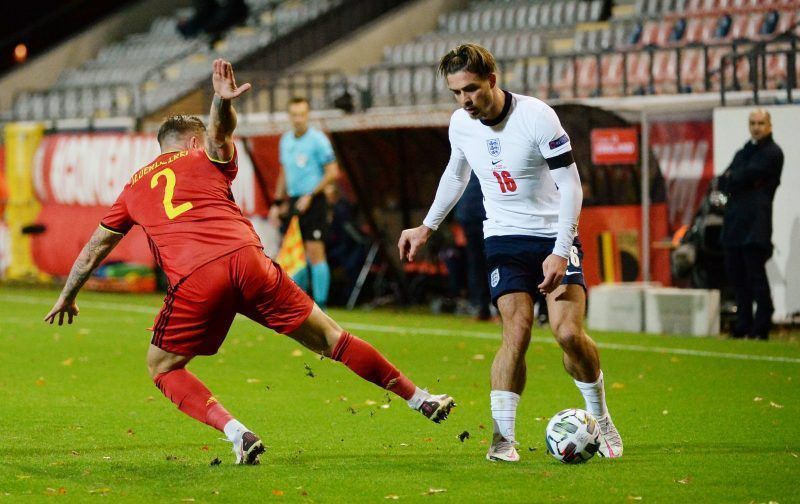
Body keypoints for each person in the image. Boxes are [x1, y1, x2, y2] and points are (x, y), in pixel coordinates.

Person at [44, 59, 455, 466]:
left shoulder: (134, 185)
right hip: (249, 261)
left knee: (163, 366)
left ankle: (236, 432)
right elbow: (221, 133)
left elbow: (96, 246)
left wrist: (68, 295)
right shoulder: (205, 157)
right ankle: (420, 398)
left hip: (197, 279)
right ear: (192, 141)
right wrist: (220, 103)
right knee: (332, 338)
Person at [398, 44, 622, 462]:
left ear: (493, 81)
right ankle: (503, 439)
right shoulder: (461, 125)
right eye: (456, 93)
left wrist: (560, 249)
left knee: (568, 334)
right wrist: (426, 227)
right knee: (515, 332)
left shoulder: (537, 117)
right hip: (503, 238)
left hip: (553, 236)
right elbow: (456, 173)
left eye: (472, 89)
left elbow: (572, 186)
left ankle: (601, 417)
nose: (465, 100)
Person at [718, 108, 783, 340]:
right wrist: (734, 179)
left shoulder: (773, 153)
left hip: (756, 225)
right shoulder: (744, 151)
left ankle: (762, 325)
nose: (756, 127)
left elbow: (741, 176)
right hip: (735, 224)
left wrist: (734, 178)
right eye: (752, 123)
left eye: (760, 123)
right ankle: (743, 325)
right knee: (738, 278)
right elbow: (723, 179)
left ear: (769, 125)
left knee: (756, 277)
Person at [273, 97, 339, 309]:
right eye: (294, 115)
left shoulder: (318, 140)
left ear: (308, 115)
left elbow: (332, 173)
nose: (298, 119)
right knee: (295, 251)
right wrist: (277, 202)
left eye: (302, 114)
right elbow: (284, 172)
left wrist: (310, 194)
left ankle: (321, 303)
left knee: (315, 252)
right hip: (294, 200)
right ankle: (296, 301)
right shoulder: (286, 140)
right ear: (289, 116)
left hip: (314, 200)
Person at [453, 172, 492, 320]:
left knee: (476, 264)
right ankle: (490, 306)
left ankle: (482, 306)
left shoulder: (470, 159)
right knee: (494, 262)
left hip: (469, 215)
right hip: (484, 215)